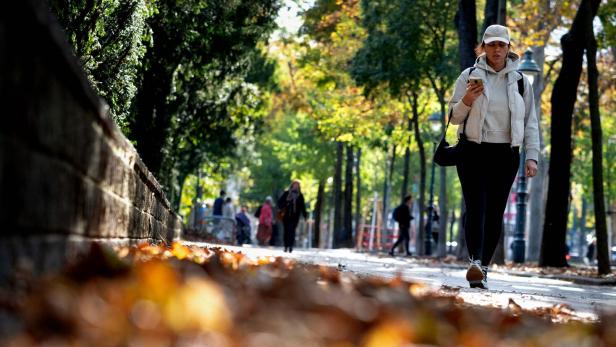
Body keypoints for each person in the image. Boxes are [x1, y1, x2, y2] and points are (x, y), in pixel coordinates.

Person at [448, 24, 540, 289]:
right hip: (473, 150)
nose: (496, 49)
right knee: (475, 207)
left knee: (495, 211)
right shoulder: (468, 75)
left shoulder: (521, 82)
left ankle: (484, 266)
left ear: (509, 48)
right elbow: (453, 118)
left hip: (505, 153)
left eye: (502, 45)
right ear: (483, 47)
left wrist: (531, 156)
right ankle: (474, 262)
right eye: (491, 44)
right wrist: (466, 99)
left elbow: (530, 122)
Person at [277, 180, 307, 253]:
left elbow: (302, 206)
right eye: (295, 185)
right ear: (292, 185)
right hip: (286, 216)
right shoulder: (287, 193)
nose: (296, 186)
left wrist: (305, 215)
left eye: (297, 185)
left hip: (295, 216)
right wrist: (287, 201)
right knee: (286, 231)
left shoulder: (300, 196)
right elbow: (279, 203)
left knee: (292, 231)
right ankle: (286, 246)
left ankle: (291, 246)